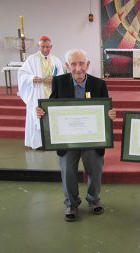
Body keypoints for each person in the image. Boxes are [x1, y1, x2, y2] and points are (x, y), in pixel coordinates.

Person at [36, 49, 116, 222]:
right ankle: (71, 203)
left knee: (95, 170)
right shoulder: (58, 82)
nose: (78, 68)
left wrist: (110, 115)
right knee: (68, 172)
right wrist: (43, 112)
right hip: (67, 139)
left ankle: (94, 200)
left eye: (81, 63)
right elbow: (51, 106)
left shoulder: (99, 84)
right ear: (67, 65)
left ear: (87, 64)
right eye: (73, 64)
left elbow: (105, 109)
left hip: (92, 138)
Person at [18, 35, 64, 149]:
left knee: (52, 117)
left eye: (48, 47)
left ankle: (53, 142)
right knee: (37, 116)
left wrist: (54, 80)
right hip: (37, 93)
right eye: (43, 47)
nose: (45, 49)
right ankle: (38, 143)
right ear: (39, 46)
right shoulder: (31, 59)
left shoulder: (56, 60)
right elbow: (22, 74)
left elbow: (62, 77)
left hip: (52, 94)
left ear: (51, 46)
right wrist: (32, 78)